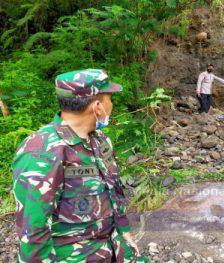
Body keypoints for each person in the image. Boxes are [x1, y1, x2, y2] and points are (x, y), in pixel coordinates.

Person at [12, 69, 150, 263]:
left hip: (113, 245)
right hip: (74, 256)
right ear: (97, 107)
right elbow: (33, 233)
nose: (112, 105)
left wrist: (123, 230)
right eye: (110, 99)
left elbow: (113, 189)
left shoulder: (100, 140)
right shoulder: (42, 153)